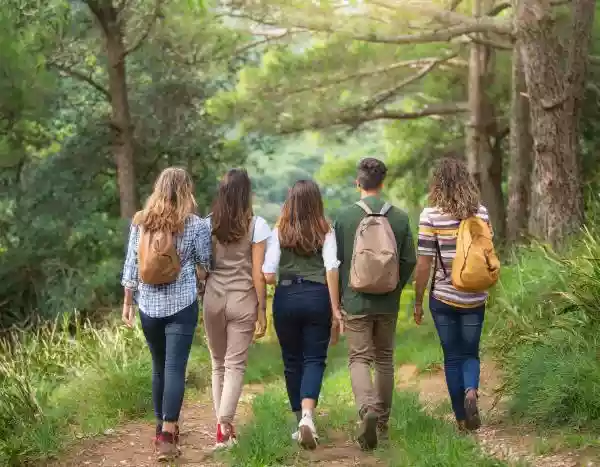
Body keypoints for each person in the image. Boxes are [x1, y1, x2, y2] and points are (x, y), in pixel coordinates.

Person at [121, 167, 211, 462]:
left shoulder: (141, 221)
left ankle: (160, 426)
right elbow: (205, 260)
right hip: (182, 303)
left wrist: (128, 301)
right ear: (186, 191)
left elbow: (132, 264)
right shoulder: (194, 224)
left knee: (159, 366)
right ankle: (168, 435)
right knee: (175, 368)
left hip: (148, 306)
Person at [334, 157, 416, 451]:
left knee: (359, 358)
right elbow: (410, 261)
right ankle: (381, 422)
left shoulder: (343, 217)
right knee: (384, 359)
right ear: (382, 184)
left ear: (358, 183)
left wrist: (344, 296)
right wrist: (394, 287)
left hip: (356, 301)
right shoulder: (400, 217)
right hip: (388, 302)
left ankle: (366, 408)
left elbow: (338, 262)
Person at [413, 157, 491, 432]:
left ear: (438, 183)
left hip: (444, 297)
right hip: (475, 295)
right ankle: (471, 390)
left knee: (452, 356)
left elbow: (424, 263)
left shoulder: (430, 215)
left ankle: (461, 418)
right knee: (470, 352)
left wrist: (418, 300)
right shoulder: (480, 213)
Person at [263, 180, 342, 450]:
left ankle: (300, 420)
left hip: (286, 297)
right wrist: (335, 309)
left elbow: (268, 273)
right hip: (318, 297)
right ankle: (308, 417)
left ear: (290, 201)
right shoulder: (325, 230)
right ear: (316, 201)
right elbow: (331, 268)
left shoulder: (279, 231)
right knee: (314, 359)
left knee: (291, 361)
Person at [203, 168, 270, 449]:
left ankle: (223, 431)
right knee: (235, 365)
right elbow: (259, 273)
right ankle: (224, 427)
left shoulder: (208, 224)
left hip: (213, 299)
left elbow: (203, 268)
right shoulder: (257, 225)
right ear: (247, 193)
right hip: (243, 299)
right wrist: (263, 309)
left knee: (218, 364)